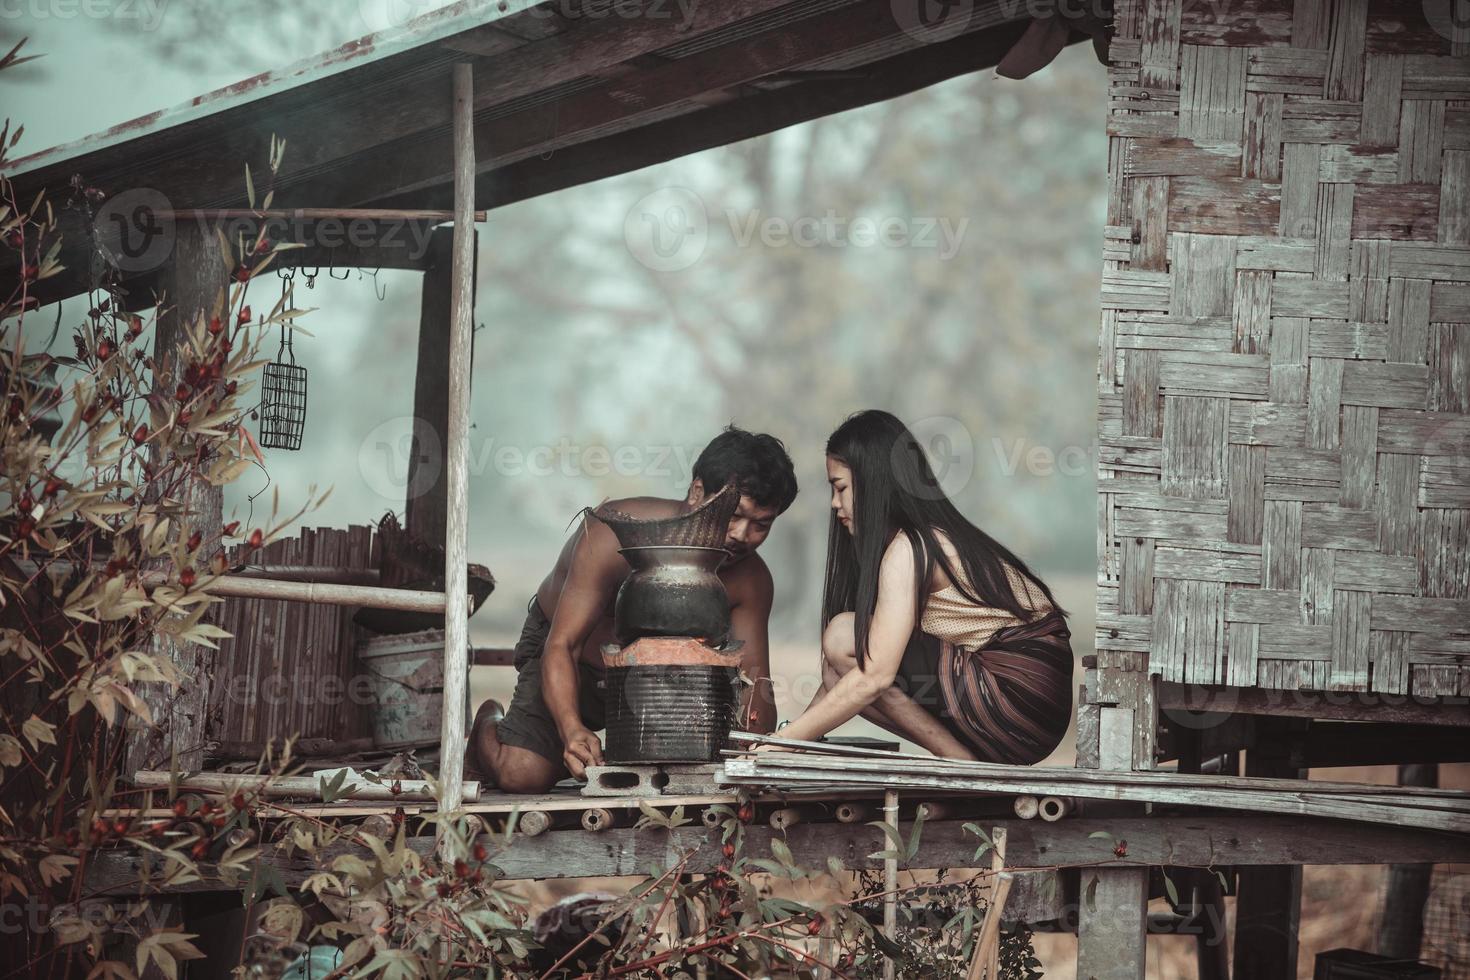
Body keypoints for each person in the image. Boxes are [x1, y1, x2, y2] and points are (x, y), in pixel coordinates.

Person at [467, 425, 799, 793]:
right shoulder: (615, 533)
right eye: (734, 515)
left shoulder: (751, 580)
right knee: (523, 774)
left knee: (685, 782)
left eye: (761, 525)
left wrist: (758, 743)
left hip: (669, 688)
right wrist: (572, 730)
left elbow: (755, 682)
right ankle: (489, 720)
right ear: (697, 491)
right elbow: (562, 645)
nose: (741, 535)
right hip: (569, 663)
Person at [770, 409, 1074, 765]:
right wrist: (792, 739)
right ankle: (965, 763)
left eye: (840, 488)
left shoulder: (912, 548)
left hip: (1019, 696)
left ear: (874, 482)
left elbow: (875, 676)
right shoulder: (921, 541)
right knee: (838, 671)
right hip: (1028, 716)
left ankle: (962, 764)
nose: (835, 504)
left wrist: (782, 743)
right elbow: (845, 679)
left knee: (843, 637)